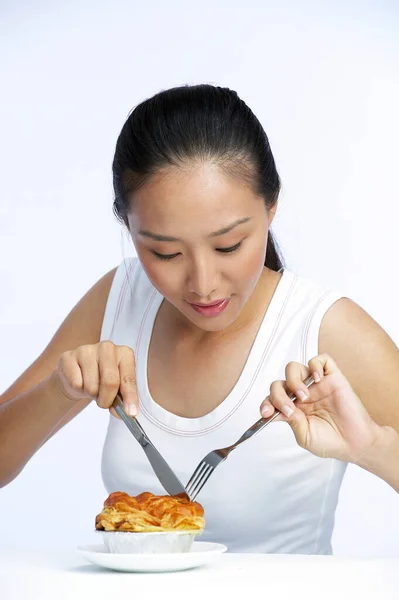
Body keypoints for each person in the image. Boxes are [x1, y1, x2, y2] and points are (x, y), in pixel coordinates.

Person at [0, 85, 398, 555]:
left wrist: (370, 446)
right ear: (128, 227)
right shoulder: (122, 295)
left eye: (228, 245)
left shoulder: (325, 328)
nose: (203, 283)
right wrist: (58, 393)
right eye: (164, 252)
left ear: (271, 208)